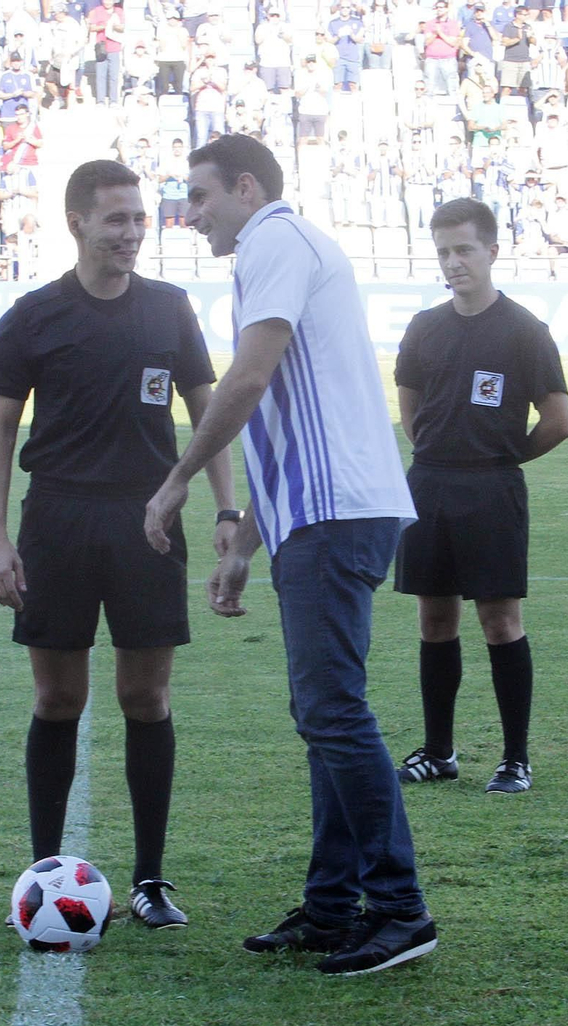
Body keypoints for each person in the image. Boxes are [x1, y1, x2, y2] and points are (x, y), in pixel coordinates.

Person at [141, 134, 436, 976]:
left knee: (334, 713)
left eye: (199, 198)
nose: (189, 216)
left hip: (336, 512)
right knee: (326, 717)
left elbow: (248, 381)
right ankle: (335, 904)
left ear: (244, 187)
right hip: (322, 508)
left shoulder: (274, 239)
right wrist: (246, 540)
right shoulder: (286, 245)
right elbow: (294, 416)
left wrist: (177, 483)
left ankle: (400, 909)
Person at [0, 160, 234, 930]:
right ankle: (45, 869)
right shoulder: (33, 315)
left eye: (138, 219)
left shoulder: (169, 310)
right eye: (115, 219)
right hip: (55, 519)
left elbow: (207, 408)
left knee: (145, 696)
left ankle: (151, 878)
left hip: (147, 523)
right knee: (58, 697)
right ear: (77, 224)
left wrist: (227, 509)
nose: (130, 233)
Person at [390, 197, 568, 796]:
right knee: (434, 618)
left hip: (492, 489)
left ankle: (515, 757)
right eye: (443, 251)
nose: (453, 262)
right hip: (429, 485)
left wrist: (502, 457)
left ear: (492, 251)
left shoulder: (525, 331)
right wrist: (435, 453)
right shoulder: (425, 327)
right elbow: (410, 403)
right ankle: (439, 751)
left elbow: (558, 419)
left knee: (500, 621)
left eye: (464, 249)